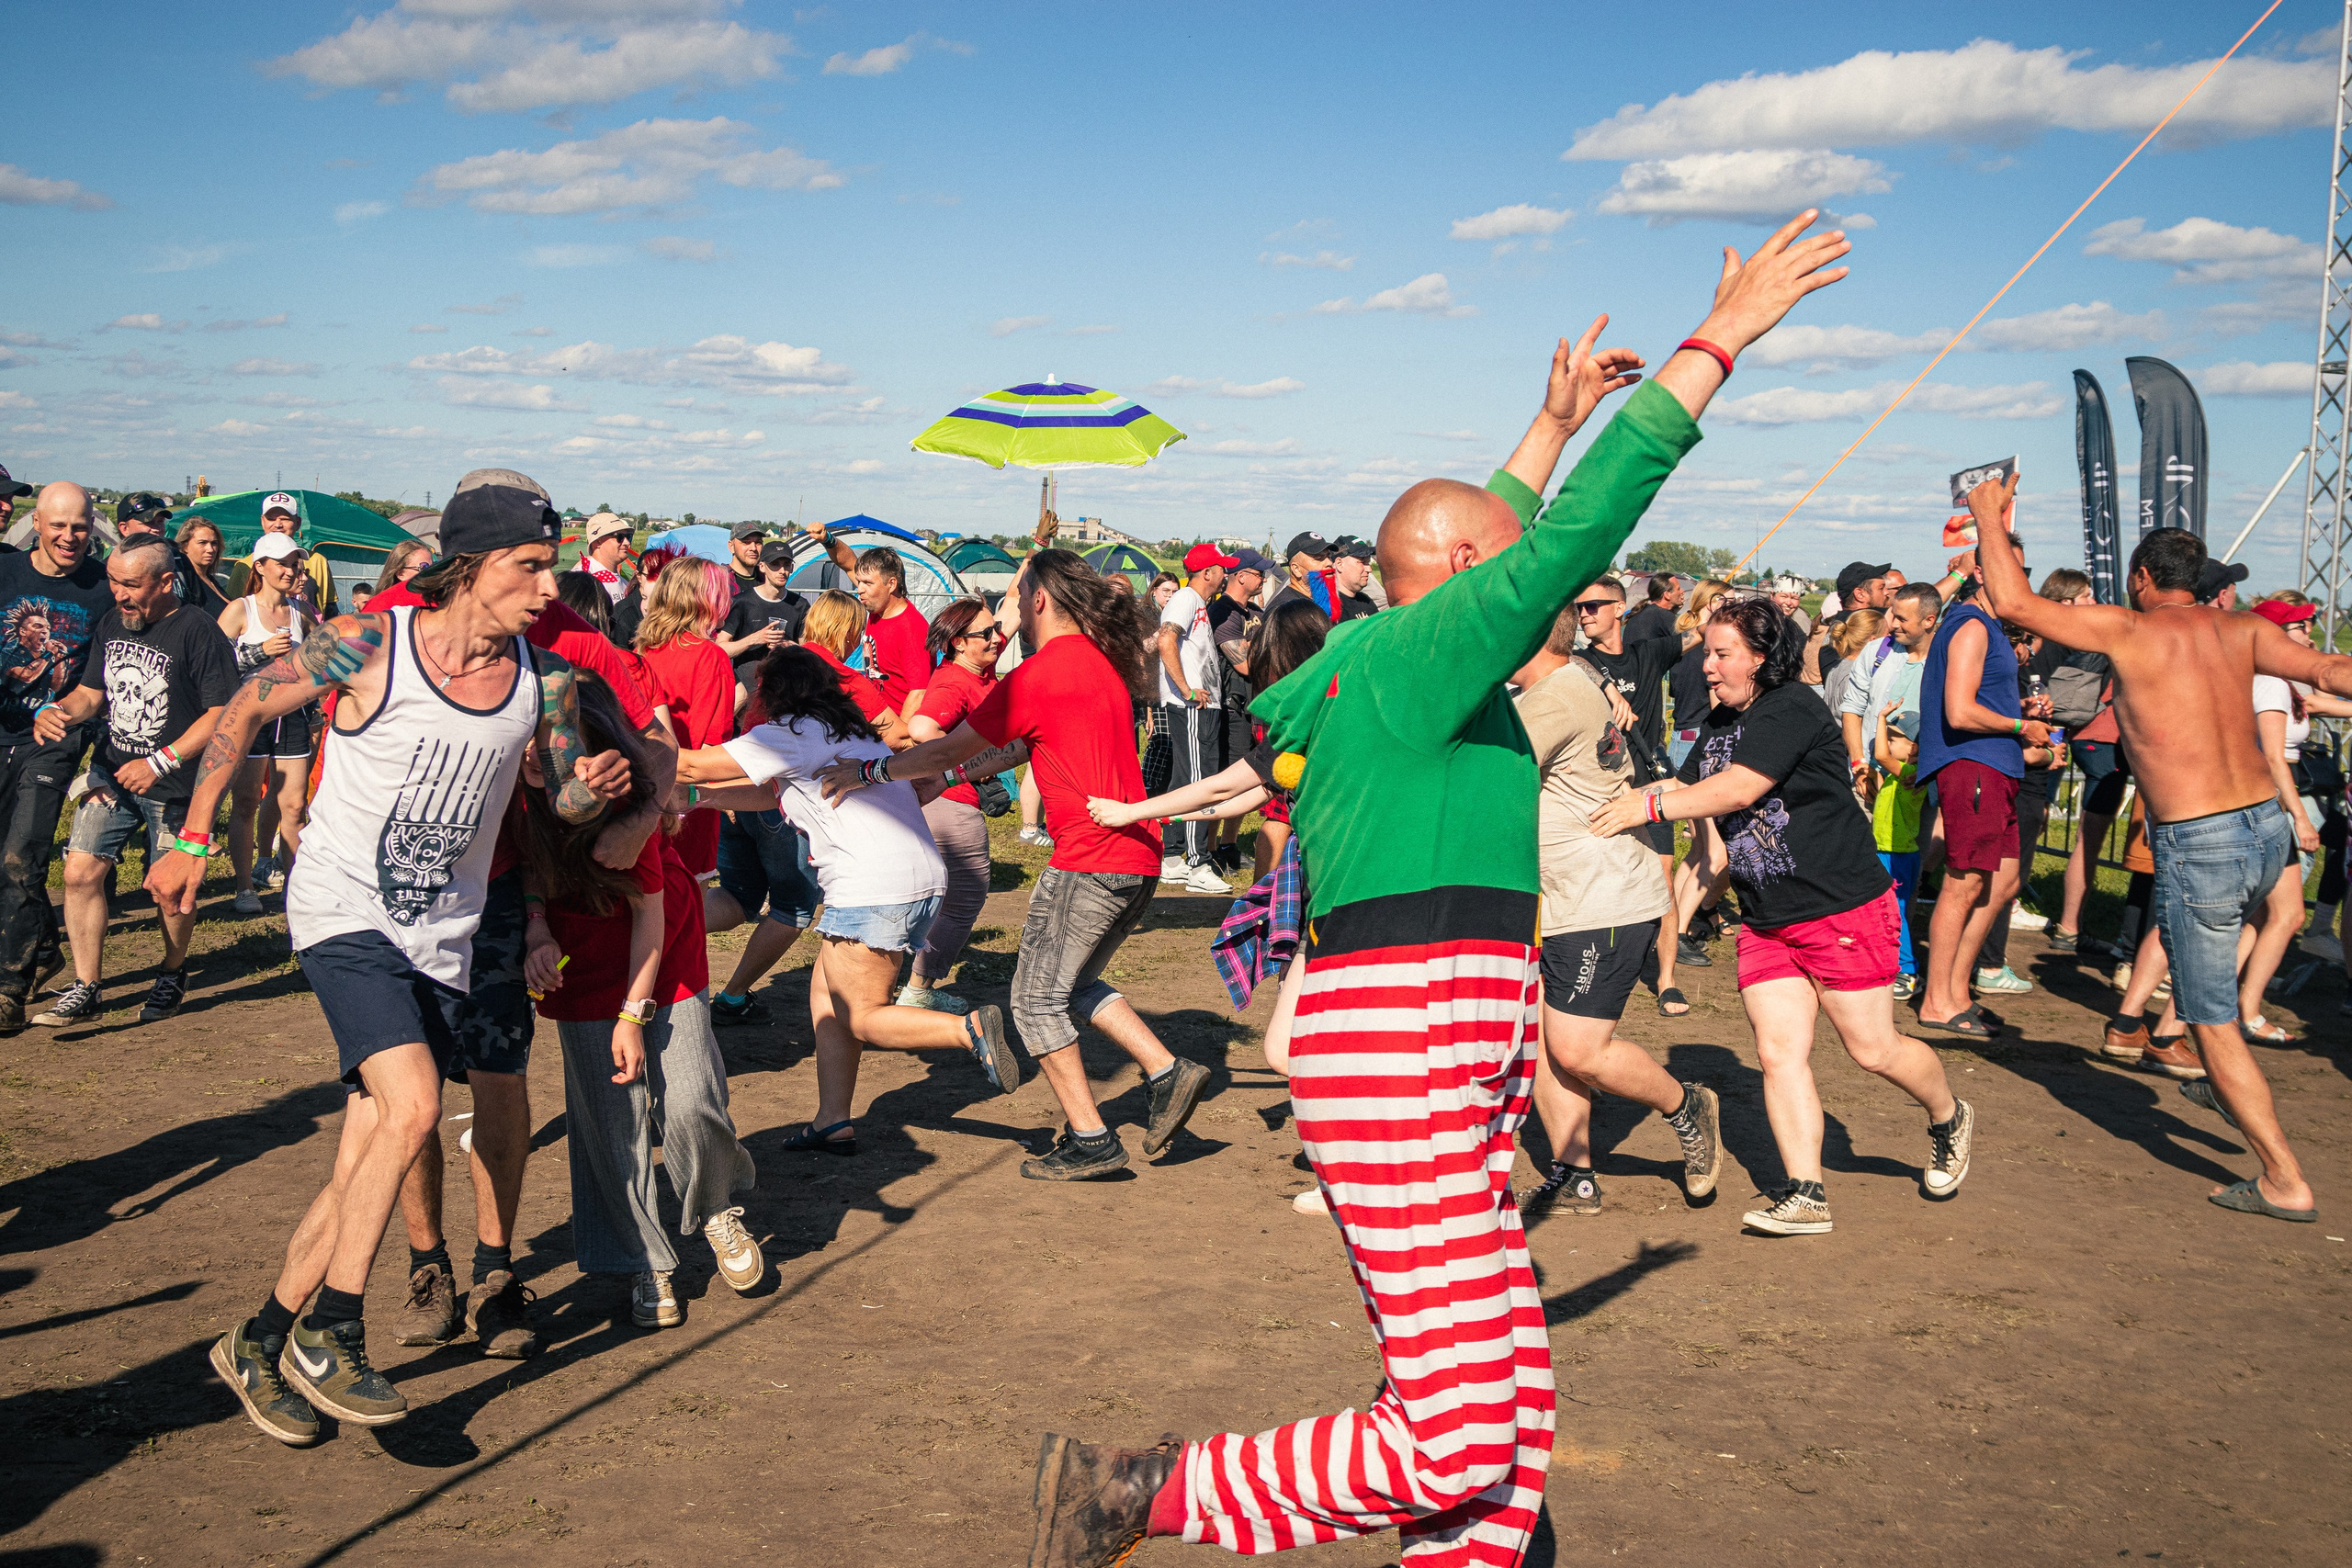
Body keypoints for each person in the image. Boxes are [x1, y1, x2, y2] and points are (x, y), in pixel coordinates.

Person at [1017, 212, 1854, 1568]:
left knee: (1509, 1430)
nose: (1556, 613)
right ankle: (1144, 1490)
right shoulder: (1416, 656)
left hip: (1436, 1038)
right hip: (1407, 1034)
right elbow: (1562, 535)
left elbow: (1475, 536)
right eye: (1511, 588)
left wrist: (1542, 420)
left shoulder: (1374, 658)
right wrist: (1720, 344)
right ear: (1468, 589)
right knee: (1463, 1437)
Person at [177, 474, 629, 1444]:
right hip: (342, 908)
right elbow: (250, 705)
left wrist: (592, 786)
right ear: (471, 568)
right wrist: (191, 831)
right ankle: (335, 1329)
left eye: (551, 568)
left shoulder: (543, 682)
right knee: (417, 1105)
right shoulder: (371, 644)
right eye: (530, 567)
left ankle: (258, 1341)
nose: (549, 588)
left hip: (445, 935)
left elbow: (560, 801)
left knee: (363, 1156)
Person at [1973, 476, 2352, 1223]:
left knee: (2212, 1014)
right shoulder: (2243, 630)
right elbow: (2330, 671)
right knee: (2257, 927)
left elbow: (2015, 604)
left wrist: (1989, 514)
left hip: (2202, 834)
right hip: (2267, 826)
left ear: (2142, 580)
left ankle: (2282, 1176)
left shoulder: (2129, 629)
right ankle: (2217, 1069)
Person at [820, 548, 1212, 1182]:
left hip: (1088, 858)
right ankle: (1168, 1070)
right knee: (1072, 983)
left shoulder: (1039, 673)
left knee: (1033, 1002)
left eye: (1011, 598)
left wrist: (870, 771)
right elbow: (1013, 749)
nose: (1003, 620)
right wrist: (945, 776)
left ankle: (1091, 1139)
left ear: (1037, 600)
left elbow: (948, 742)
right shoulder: (1097, 662)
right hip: (1135, 857)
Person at [1592, 595, 1974, 1236]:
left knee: (1873, 1049)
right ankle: (1806, 1192)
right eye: (1707, 652)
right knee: (1778, 1052)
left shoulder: (1791, 707)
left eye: (1722, 654)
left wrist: (1649, 810)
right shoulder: (1717, 724)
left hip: (1841, 907)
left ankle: (1948, 1114)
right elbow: (1689, 797)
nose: (1707, 667)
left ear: (1762, 658)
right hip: (1768, 921)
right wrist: (1618, 804)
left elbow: (1740, 789)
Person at [675, 646, 1020, 1152]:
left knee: (861, 1013)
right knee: (826, 1000)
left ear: (769, 693)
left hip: (873, 889)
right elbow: (775, 795)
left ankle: (967, 1031)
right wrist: (700, 801)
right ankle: (832, 1120)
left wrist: (612, 742)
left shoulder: (788, 733)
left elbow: (690, 764)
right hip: (911, 881)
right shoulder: (851, 733)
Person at [521, 671, 763, 1332]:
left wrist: (633, 1016)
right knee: (610, 1118)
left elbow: (649, 922)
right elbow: (529, 871)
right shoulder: (522, 789)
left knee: (690, 1096)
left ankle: (714, 1207)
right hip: (581, 958)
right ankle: (643, 1259)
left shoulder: (623, 804)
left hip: (660, 949)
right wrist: (537, 927)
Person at [1510, 602, 1724, 1215]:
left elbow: (1484, 774)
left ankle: (1686, 1104)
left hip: (1599, 896)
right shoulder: (1573, 677)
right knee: (1547, 1042)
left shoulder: (1550, 699)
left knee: (1578, 1048)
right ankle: (1574, 1172)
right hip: (1562, 894)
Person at [28, 535, 239, 1026]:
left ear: (167, 582)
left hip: (178, 783)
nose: (118, 594)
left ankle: (172, 971)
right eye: (113, 582)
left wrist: (160, 761)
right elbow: (90, 694)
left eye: (130, 584)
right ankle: (86, 986)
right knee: (80, 872)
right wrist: (55, 711)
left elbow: (222, 713)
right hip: (113, 772)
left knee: (170, 891)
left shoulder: (198, 631)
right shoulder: (113, 622)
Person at [704, 587, 898, 1027]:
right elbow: (899, 733)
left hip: (738, 788)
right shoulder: (836, 677)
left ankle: (656, 939)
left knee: (738, 897)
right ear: (849, 631)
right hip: (783, 803)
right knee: (794, 907)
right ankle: (732, 997)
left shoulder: (780, 663)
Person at [1913, 549, 2043, 1037]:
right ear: (1984, 574)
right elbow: (1961, 711)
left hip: (1996, 765)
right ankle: (1936, 1001)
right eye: (2012, 569)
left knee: (2001, 882)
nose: (2021, 580)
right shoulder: (1970, 625)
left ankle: (1957, 990)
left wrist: (2020, 707)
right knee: (1964, 881)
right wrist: (2019, 723)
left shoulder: (1988, 628)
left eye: (2024, 571)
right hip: (1975, 767)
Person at [0, 483, 109, 1030]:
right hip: (3, 726)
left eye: (81, 527)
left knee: (23, 855)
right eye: (59, 526)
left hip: (56, 736)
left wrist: (58, 710)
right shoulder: (6, 574)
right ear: (36, 524)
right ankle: (43, 949)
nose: (70, 537)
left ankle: (8, 988)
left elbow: (102, 676)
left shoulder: (102, 588)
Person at [1571, 572, 1697, 1008]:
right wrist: (1604, 684)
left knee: (1662, 878)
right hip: (1599, 788)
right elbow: (1560, 659)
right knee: (1599, 879)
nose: (1583, 614)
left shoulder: (1649, 652)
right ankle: (1597, 967)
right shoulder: (1580, 662)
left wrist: (1716, 609)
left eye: (1592, 606)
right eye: (1578, 608)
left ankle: (1666, 980)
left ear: (1619, 608)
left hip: (1647, 783)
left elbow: (1702, 636)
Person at [900, 597, 1007, 1012]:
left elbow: (1013, 610)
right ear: (959, 643)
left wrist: (1036, 551)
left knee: (929, 896)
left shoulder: (979, 670)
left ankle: (899, 976)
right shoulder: (955, 682)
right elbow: (921, 727)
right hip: (950, 803)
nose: (997, 638)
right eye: (986, 634)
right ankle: (919, 990)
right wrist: (967, 763)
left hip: (949, 798)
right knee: (965, 898)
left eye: (996, 628)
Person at [218, 533, 315, 916]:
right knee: (245, 802)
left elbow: (316, 666)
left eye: (295, 563)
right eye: (283, 563)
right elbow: (216, 670)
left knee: (293, 806)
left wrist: (314, 699)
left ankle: (293, 888)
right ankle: (244, 887)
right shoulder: (239, 611)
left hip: (292, 716)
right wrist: (259, 652)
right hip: (250, 715)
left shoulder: (301, 612)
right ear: (260, 567)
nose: (291, 570)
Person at [635, 555, 738, 876]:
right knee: (688, 910)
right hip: (689, 802)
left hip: (643, 797)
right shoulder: (711, 657)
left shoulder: (642, 650)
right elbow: (710, 747)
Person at [1155, 542, 1237, 894]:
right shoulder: (1186, 599)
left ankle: (1173, 858)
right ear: (1207, 572)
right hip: (1191, 706)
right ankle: (1196, 863)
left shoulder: (1199, 603)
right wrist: (1186, 690)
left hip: (1200, 706)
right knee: (1198, 783)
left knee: (1184, 779)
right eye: (1222, 568)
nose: (1226, 574)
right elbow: (1165, 640)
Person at [716, 537, 808, 705]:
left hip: (783, 697)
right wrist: (755, 639)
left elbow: (808, 651)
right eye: (775, 564)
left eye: (786, 565)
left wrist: (789, 646)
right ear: (762, 567)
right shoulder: (742, 602)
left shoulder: (800, 605)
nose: (782, 571)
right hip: (744, 697)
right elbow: (719, 649)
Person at [224, 493, 336, 618]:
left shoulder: (318, 561)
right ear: (262, 521)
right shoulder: (244, 565)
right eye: (271, 519)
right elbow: (230, 614)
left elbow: (330, 610)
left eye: (285, 518)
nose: (278, 524)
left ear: (298, 522)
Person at [1267, 531, 1336, 618]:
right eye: (1319, 558)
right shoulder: (1285, 611)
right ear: (1296, 569)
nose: (1329, 563)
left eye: (1329, 557)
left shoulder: (1324, 600)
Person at [175, 516, 232, 617]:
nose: (210, 549)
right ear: (184, 546)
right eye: (202, 543)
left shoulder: (211, 580)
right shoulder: (184, 584)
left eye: (214, 543)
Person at [578, 512, 634, 604]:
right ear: (598, 542)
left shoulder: (625, 584)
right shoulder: (582, 578)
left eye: (629, 537)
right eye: (620, 537)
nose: (627, 543)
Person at [1623, 570, 1682, 644]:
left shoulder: (1642, 612)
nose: (1682, 591)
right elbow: (1685, 643)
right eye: (1678, 589)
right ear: (1667, 595)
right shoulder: (1663, 616)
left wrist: (1673, 612)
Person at [1329, 536, 1379, 621]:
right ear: (1339, 564)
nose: (1369, 569)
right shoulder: (1329, 608)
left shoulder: (1365, 601)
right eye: (1362, 562)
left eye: (1368, 562)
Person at [724, 520, 767, 597]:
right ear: (731, 546)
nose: (753, 548)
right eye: (746, 542)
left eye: (758, 542)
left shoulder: (767, 580)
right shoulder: (719, 581)